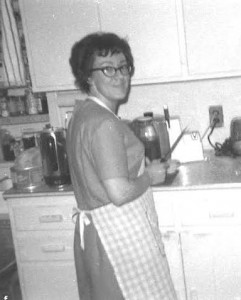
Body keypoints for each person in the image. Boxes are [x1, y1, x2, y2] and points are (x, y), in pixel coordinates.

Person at [67, 32, 177, 300]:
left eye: (123, 66)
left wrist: (142, 170)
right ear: (88, 77)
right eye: (107, 68)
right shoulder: (104, 123)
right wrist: (150, 176)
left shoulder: (83, 115)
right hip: (117, 239)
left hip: (99, 238)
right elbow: (118, 193)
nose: (120, 75)